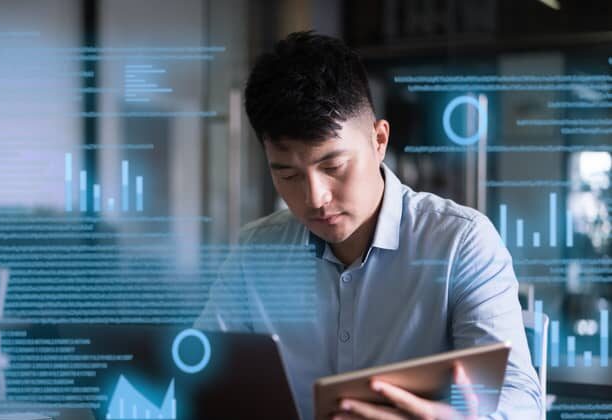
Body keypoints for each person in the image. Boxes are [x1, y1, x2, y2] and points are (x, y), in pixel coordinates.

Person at [195, 31, 542, 420]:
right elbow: (199, 373)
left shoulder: (460, 243)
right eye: (288, 175)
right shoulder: (256, 251)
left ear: (379, 140)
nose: (316, 198)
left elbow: (523, 402)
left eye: (333, 167)